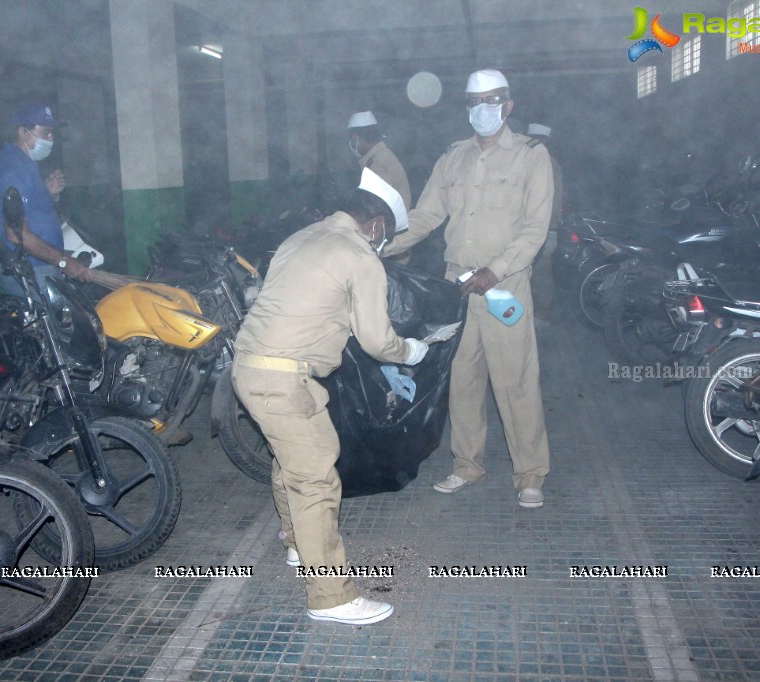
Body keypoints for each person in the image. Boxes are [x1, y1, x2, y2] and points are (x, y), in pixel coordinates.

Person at [231, 168, 428, 625]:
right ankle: (331, 597)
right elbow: (377, 340)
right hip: (283, 376)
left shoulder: (301, 237)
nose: (383, 246)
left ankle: (300, 547)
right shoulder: (359, 255)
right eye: (386, 237)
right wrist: (412, 350)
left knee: (294, 461)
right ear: (376, 225)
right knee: (316, 478)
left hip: (248, 368)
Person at [384, 69, 554, 509]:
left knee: (515, 379)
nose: (484, 109)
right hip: (455, 287)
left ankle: (530, 473)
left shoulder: (531, 156)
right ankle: (467, 465)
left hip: (505, 287)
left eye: (493, 100)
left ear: (509, 104)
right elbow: (424, 216)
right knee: (461, 379)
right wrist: (379, 243)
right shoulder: (453, 158)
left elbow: (536, 228)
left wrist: (495, 271)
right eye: (475, 101)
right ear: (465, 106)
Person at [0, 104, 90, 295]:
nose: (51, 139)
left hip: (36, 267)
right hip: (32, 271)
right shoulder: (13, 170)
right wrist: (63, 261)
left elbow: (23, 207)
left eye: (53, 134)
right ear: (23, 132)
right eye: (45, 133)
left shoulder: (12, 162)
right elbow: (16, 234)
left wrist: (48, 191)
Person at [525, 123, 564, 323]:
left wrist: (552, 230)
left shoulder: (551, 163)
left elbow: (556, 198)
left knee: (541, 273)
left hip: (543, 228)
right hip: (522, 228)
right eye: (532, 138)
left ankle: (542, 315)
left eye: (539, 139)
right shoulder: (521, 161)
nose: (535, 142)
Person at [347, 111, 412, 209]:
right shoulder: (381, 156)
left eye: (350, 141)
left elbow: (377, 206)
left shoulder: (376, 164)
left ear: (356, 139)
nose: (350, 145)